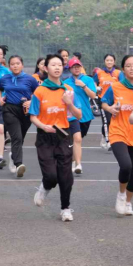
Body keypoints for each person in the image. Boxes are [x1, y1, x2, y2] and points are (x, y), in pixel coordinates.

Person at [29, 54, 82, 222]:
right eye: (53, 65)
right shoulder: (40, 91)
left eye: (60, 65)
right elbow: (32, 116)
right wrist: (42, 126)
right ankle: (45, 186)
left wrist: (69, 103)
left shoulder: (68, 90)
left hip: (62, 135)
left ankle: (65, 208)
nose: (57, 68)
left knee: (66, 175)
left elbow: (79, 115)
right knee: (51, 175)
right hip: (45, 136)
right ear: (46, 68)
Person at [102, 55, 133, 216]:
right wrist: (110, 109)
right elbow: (103, 101)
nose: (132, 68)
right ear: (123, 69)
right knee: (126, 165)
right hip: (118, 131)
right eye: (128, 66)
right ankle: (121, 194)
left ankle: (128, 202)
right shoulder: (116, 87)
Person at [0, 55, 39, 178]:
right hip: (9, 109)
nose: (15, 66)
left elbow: (39, 94)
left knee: (20, 138)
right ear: (9, 66)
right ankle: (19, 164)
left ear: (22, 65)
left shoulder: (30, 79)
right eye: (12, 64)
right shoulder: (5, 78)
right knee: (17, 137)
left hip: (25, 111)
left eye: (17, 63)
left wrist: (31, 101)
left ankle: (13, 156)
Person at [65, 57, 97, 175]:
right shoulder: (66, 83)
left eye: (78, 66)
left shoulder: (88, 80)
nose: (76, 68)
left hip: (86, 115)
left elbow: (93, 95)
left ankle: (73, 160)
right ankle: (78, 163)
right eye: (74, 67)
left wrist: (83, 86)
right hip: (72, 116)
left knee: (78, 139)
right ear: (70, 69)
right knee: (76, 139)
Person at [94, 54, 121, 151]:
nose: (109, 62)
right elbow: (93, 82)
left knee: (114, 121)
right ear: (104, 61)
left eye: (111, 60)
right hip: (103, 101)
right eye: (107, 60)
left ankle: (106, 135)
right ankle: (108, 141)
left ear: (114, 62)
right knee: (106, 121)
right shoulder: (99, 73)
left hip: (115, 101)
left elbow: (122, 85)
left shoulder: (118, 73)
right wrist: (96, 88)